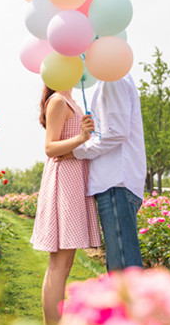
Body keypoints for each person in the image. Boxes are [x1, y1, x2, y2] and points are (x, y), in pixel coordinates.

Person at [30, 85, 101, 325]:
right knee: (58, 263)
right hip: (63, 182)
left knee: (66, 262)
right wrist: (82, 138)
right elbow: (50, 148)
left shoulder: (71, 100)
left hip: (74, 180)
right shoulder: (58, 100)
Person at [60, 73, 147, 271]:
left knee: (122, 267)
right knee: (120, 262)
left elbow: (117, 132)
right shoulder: (112, 79)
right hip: (116, 182)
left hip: (115, 181)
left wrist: (77, 152)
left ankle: (131, 303)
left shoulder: (112, 78)